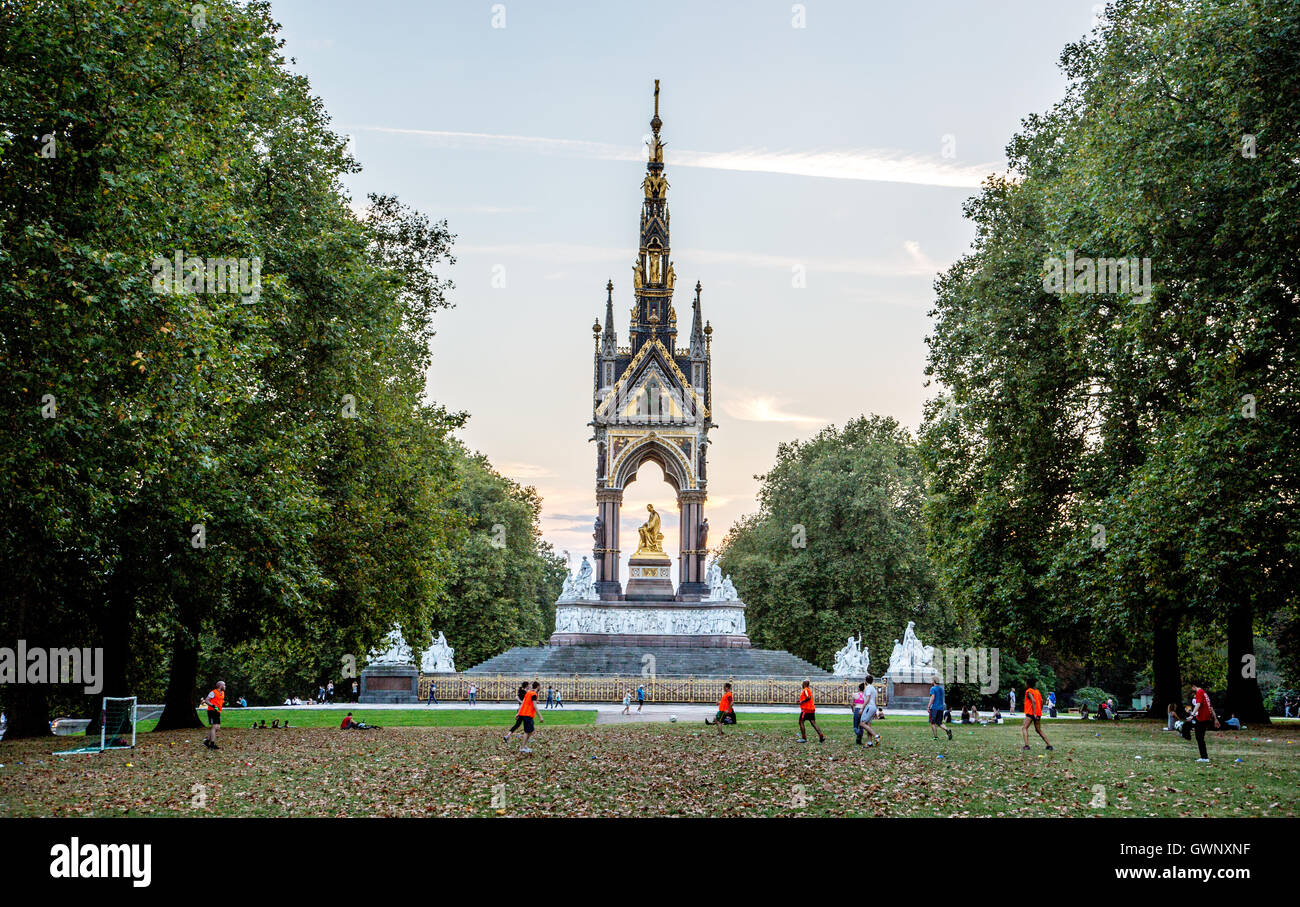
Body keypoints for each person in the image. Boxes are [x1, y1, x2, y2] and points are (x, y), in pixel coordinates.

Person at [505, 682, 541, 753]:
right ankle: (523, 746)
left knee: (527, 729)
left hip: (523, 712)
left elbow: (525, 702)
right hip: (527, 713)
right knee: (527, 731)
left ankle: (523, 744)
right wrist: (540, 716)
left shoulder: (528, 692)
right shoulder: (532, 693)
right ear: (538, 686)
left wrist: (518, 713)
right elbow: (532, 705)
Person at [1020, 678, 1053, 751]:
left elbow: (1033, 701)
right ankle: (1049, 745)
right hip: (1038, 713)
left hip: (1031, 713)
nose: (1025, 684)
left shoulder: (1029, 691)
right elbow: (1041, 701)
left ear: (1028, 684)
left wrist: (1034, 713)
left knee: (1024, 728)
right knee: (1038, 730)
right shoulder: (1037, 692)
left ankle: (1026, 745)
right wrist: (1038, 711)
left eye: (1026, 683)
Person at [1190, 683, 1220, 762]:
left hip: (1202, 718)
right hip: (1206, 717)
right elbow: (1211, 707)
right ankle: (1204, 756)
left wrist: (1192, 715)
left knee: (1199, 737)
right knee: (1200, 737)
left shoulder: (1199, 692)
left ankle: (1204, 757)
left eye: (1191, 688)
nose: (1192, 691)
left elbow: (1198, 704)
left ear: (1193, 686)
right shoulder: (1205, 693)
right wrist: (1215, 719)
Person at [858, 675, 880, 747]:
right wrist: (875, 711)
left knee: (862, 723)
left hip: (869, 707)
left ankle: (876, 736)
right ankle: (870, 743)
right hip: (873, 707)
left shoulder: (868, 688)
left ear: (866, 681)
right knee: (868, 726)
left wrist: (862, 708)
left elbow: (868, 698)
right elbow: (875, 700)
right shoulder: (873, 688)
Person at [203, 680, 226, 750]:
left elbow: (220, 700)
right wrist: (213, 706)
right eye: (224, 685)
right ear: (220, 686)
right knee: (214, 726)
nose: (225, 686)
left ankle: (207, 741)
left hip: (218, 711)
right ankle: (212, 744)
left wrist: (225, 702)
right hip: (212, 711)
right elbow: (206, 700)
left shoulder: (222, 693)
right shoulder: (213, 692)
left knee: (217, 727)